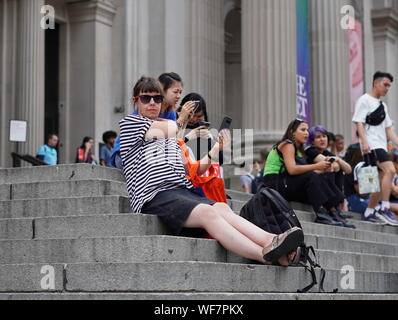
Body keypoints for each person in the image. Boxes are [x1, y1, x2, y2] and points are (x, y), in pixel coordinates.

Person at [119, 77, 304, 266]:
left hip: (181, 191)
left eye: (157, 99)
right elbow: (171, 128)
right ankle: (263, 254)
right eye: (145, 98)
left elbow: (192, 169)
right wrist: (181, 118)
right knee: (208, 212)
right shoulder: (130, 124)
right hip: (154, 195)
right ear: (135, 101)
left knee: (221, 207)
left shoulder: (169, 134)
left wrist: (217, 148)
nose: (152, 103)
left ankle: (271, 241)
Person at [263, 119, 349, 227]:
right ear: (292, 132)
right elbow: (292, 170)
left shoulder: (300, 150)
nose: (306, 133)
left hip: (287, 182)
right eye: (303, 130)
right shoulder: (287, 144)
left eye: (307, 130)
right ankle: (321, 213)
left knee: (321, 175)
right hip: (274, 184)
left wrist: (322, 169)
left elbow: (303, 171)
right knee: (313, 175)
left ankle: (333, 210)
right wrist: (317, 166)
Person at [110, 72, 196, 170]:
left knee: (183, 151)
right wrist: (180, 120)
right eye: (175, 92)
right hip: (124, 157)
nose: (152, 103)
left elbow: (176, 140)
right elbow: (171, 131)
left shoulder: (170, 113)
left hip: (151, 158)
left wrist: (184, 121)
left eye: (157, 99)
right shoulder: (135, 120)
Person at [352, 71, 398, 225]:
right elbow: (358, 122)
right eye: (385, 85)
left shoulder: (382, 105)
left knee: (378, 182)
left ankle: (370, 211)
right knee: (390, 170)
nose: (387, 88)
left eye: (389, 86)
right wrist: (364, 142)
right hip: (372, 145)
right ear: (376, 83)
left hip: (381, 145)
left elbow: (389, 130)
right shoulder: (364, 100)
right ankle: (385, 207)